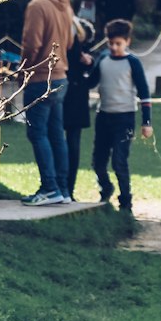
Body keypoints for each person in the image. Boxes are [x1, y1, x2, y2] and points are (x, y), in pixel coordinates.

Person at [18, 0, 75, 205]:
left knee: (37, 133)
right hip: (61, 75)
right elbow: (70, 42)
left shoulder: (37, 5)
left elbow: (32, 43)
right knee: (56, 134)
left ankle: (49, 187)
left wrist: (23, 68)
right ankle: (62, 188)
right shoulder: (64, 5)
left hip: (40, 77)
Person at [88, 18, 152, 219]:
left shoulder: (132, 62)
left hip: (125, 118)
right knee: (98, 160)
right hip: (104, 116)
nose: (114, 47)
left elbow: (144, 92)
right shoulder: (103, 60)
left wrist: (146, 122)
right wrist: (86, 64)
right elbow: (91, 82)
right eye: (111, 43)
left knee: (119, 160)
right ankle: (105, 187)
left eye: (118, 43)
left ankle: (126, 201)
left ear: (127, 42)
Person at [63, 18, 94, 201]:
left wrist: (89, 63)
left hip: (72, 95)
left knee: (70, 144)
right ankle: (66, 188)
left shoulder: (75, 48)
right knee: (70, 144)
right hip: (73, 94)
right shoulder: (79, 48)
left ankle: (66, 187)